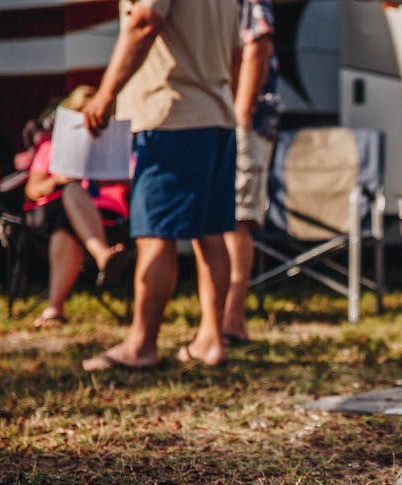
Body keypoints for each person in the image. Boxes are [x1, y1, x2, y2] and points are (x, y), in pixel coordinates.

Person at [80, 0, 242, 370]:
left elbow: (144, 20)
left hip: (171, 115)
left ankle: (141, 345)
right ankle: (211, 340)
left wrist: (106, 93)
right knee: (211, 232)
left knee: (156, 236)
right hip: (217, 115)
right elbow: (236, 53)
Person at [24, 86, 131, 329]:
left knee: (66, 225)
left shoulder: (116, 143)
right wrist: (56, 180)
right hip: (57, 210)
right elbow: (32, 190)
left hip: (107, 213)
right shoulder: (51, 146)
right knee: (71, 195)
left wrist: (113, 174)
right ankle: (103, 255)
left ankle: (54, 309)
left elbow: (133, 182)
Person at [222, 0, 280, 345]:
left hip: (245, 120)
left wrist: (241, 113)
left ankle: (233, 319)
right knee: (223, 219)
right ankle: (221, 320)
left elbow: (258, 42)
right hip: (227, 118)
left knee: (235, 219)